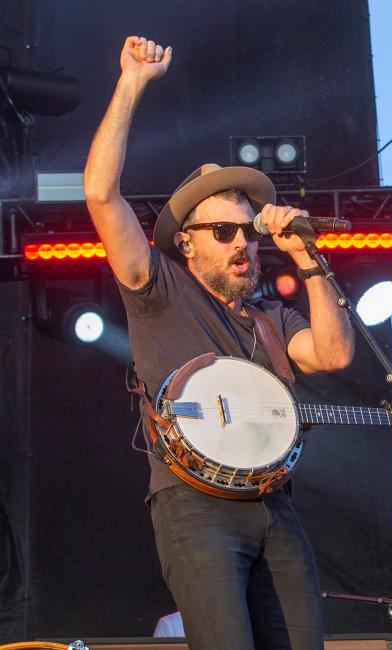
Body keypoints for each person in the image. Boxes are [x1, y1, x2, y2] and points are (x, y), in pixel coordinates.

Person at [83, 36, 354, 649]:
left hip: (273, 504)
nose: (243, 244)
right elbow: (101, 196)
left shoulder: (271, 320)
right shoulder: (160, 287)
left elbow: (335, 354)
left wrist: (307, 258)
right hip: (193, 504)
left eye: (249, 232)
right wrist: (131, 81)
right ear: (186, 242)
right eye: (224, 231)